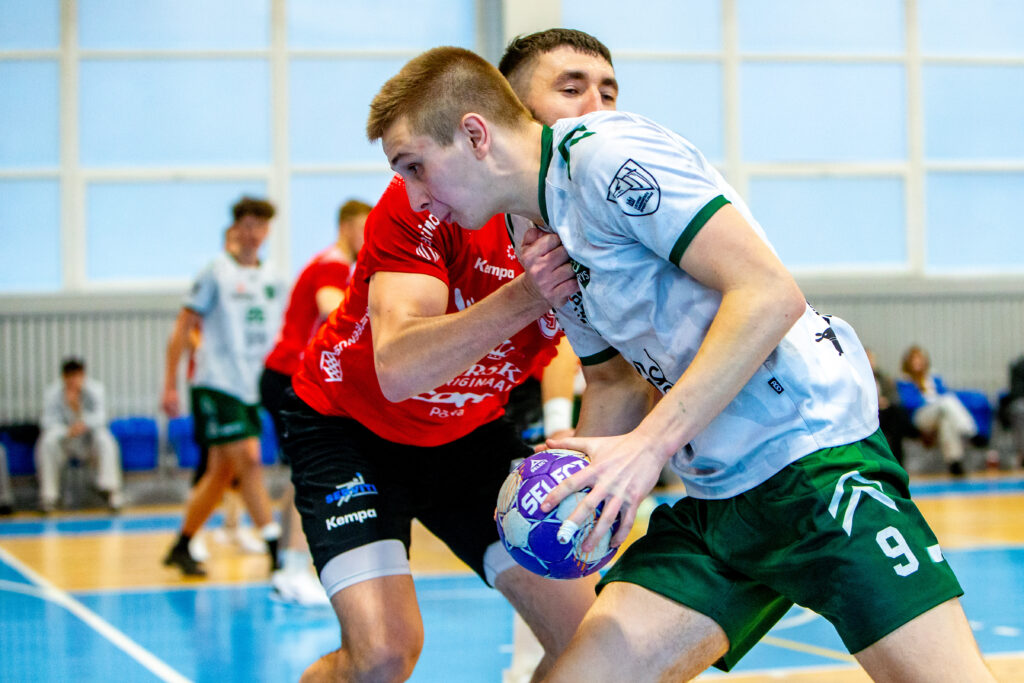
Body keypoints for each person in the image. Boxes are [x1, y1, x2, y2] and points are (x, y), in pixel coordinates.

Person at [366, 47, 994, 681]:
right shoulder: (532, 228)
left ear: (475, 134)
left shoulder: (606, 156)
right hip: (716, 495)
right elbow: (613, 379)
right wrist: (582, 488)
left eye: (415, 167)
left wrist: (646, 449)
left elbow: (768, 294)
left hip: (812, 466)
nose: (413, 197)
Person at [280, 29, 651, 682]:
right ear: (509, 114)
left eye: (609, 91)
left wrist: (586, 471)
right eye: (572, 89)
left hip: (466, 436)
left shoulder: (602, 222)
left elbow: (613, 376)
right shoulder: (429, 196)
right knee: (383, 656)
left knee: (592, 643)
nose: (596, 107)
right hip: (349, 426)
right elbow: (399, 368)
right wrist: (528, 295)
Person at [161, 196, 286, 577]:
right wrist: (169, 384)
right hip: (216, 382)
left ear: (267, 231)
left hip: (251, 386)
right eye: (246, 225)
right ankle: (275, 547)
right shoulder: (216, 272)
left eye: (259, 226)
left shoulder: (275, 278)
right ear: (235, 228)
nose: (252, 233)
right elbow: (183, 327)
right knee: (249, 459)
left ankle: (182, 544)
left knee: (219, 473)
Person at [260, 198, 372, 606]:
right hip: (291, 377)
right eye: (363, 228)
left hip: (287, 376)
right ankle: (291, 569)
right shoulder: (333, 265)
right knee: (307, 472)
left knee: (300, 472)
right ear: (345, 227)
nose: (368, 237)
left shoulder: (339, 264)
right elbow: (330, 307)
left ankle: (286, 568)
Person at [34, 357, 123, 513]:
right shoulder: (52, 393)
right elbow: (46, 421)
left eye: (77, 376)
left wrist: (82, 420)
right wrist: (66, 430)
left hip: (88, 441)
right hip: (65, 442)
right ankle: (48, 497)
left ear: (83, 375)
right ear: (64, 377)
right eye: (70, 377)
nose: (74, 381)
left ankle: (111, 492)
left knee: (105, 439)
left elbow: (102, 417)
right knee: (47, 442)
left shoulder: (96, 390)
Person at [899, 344, 977, 476]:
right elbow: (909, 403)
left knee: (946, 421)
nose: (917, 362)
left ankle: (954, 462)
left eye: (920, 359)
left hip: (940, 412)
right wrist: (930, 401)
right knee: (946, 402)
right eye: (914, 359)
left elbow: (944, 392)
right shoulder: (904, 381)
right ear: (908, 362)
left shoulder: (933, 377)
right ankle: (969, 430)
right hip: (920, 416)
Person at [867, 348, 915, 466]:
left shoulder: (882, 378)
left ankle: (898, 461)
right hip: (867, 413)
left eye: (872, 359)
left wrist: (886, 401)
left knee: (897, 414)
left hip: (884, 412)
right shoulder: (857, 378)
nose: (870, 361)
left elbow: (893, 395)